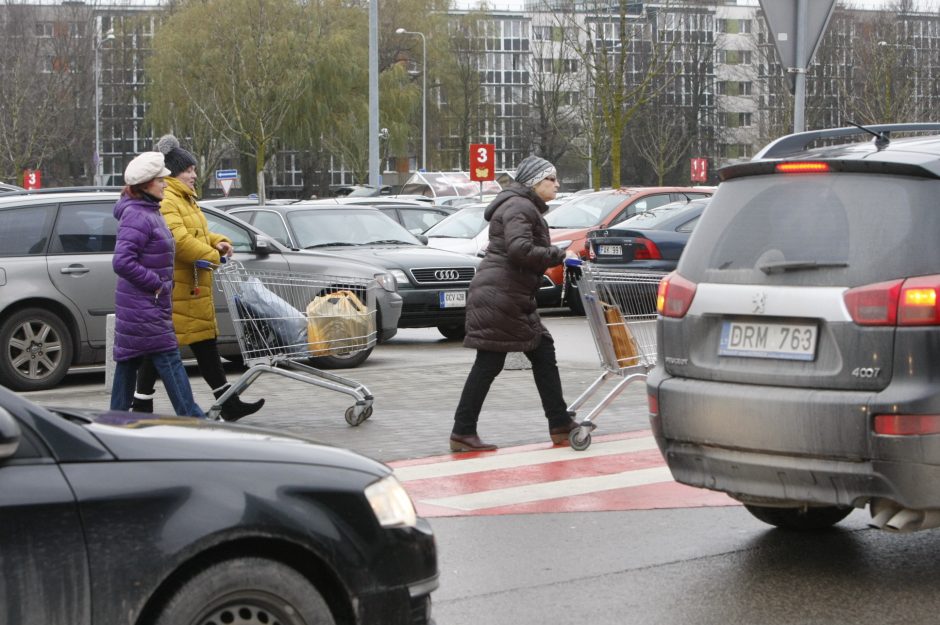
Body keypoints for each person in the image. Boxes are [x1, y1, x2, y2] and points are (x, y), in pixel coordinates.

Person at [449, 155, 581, 452]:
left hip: (507, 293)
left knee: (541, 351)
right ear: (535, 182)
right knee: (489, 362)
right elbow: (519, 249)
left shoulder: (520, 206)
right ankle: (463, 431)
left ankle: (559, 422)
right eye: (551, 179)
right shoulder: (520, 206)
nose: (557, 184)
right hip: (502, 294)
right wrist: (558, 254)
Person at [131, 134, 264, 421]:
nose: (194, 174)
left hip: (191, 288)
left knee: (203, 346)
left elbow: (197, 234)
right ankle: (141, 405)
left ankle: (226, 401)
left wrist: (218, 240)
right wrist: (215, 256)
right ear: (175, 172)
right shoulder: (169, 200)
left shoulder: (185, 199)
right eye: (189, 169)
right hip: (178, 289)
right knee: (161, 349)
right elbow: (177, 240)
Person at [110, 152, 205, 418]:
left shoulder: (148, 210)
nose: (165, 183)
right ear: (146, 185)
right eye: (160, 180)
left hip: (145, 305)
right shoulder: (138, 216)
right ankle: (195, 420)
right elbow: (122, 262)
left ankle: (115, 421)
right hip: (145, 306)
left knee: (128, 363)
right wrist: (157, 284)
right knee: (170, 360)